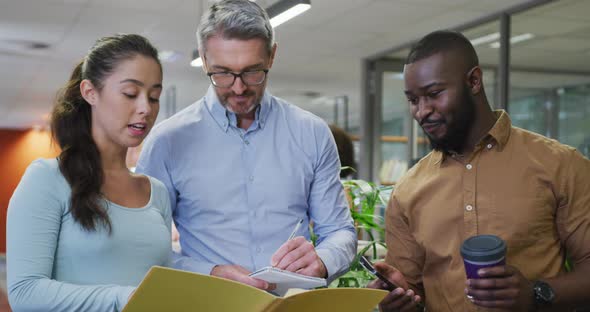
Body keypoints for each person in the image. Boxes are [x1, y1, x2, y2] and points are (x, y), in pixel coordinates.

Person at [136, 0, 356, 291]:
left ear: (272, 56)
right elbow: (142, 246)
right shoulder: (167, 142)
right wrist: (208, 272)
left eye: (253, 72)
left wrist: (323, 260)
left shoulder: (311, 133)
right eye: (223, 73)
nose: (238, 88)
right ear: (203, 58)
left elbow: (339, 230)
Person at [368, 30, 590, 311]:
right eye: (413, 100)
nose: (421, 111)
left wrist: (535, 292)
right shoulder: (408, 190)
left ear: (474, 81)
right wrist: (398, 297)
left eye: (434, 94)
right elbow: (412, 289)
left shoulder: (560, 165)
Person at [7, 34, 171, 311]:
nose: (146, 108)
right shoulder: (47, 178)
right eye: (130, 94)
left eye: (154, 97)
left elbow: (163, 289)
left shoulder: (157, 192)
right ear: (90, 92)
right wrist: (121, 298)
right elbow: (24, 292)